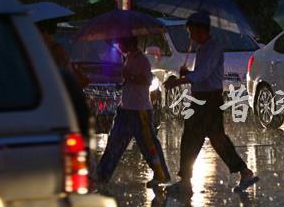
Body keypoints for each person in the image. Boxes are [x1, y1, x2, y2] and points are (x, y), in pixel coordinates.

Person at [163, 11, 258, 195]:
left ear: (201, 30)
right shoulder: (202, 48)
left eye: (191, 31)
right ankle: (243, 172)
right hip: (202, 99)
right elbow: (200, 74)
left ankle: (186, 181)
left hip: (209, 100)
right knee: (212, 138)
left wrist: (180, 81)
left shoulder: (213, 49)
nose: (190, 36)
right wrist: (187, 72)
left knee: (196, 138)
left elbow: (203, 74)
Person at [94, 36, 171, 188]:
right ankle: (101, 175)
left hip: (140, 110)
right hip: (125, 108)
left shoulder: (141, 60)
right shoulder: (127, 58)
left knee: (149, 145)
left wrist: (129, 75)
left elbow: (146, 81)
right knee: (114, 143)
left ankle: (162, 174)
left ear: (130, 43)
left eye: (121, 43)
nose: (119, 46)